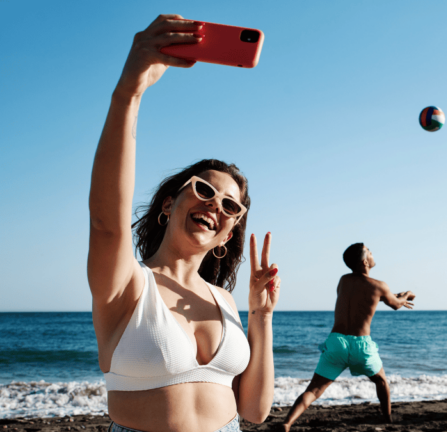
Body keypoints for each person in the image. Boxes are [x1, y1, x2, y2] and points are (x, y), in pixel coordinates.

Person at [88, 15, 282, 432]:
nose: (216, 206)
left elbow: (254, 411)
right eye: (204, 191)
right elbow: (107, 223)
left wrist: (261, 318)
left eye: (231, 207)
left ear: (227, 235)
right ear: (167, 205)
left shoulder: (225, 301)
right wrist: (129, 93)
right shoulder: (127, 283)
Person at [281, 243, 416, 431]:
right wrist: (407, 294)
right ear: (364, 261)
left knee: (313, 390)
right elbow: (395, 304)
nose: (372, 252)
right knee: (381, 381)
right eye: (369, 251)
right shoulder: (379, 286)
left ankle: (287, 423)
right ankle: (387, 419)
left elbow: (368, 295)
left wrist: (393, 296)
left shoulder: (343, 280)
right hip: (361, 345)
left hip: (336, 342)